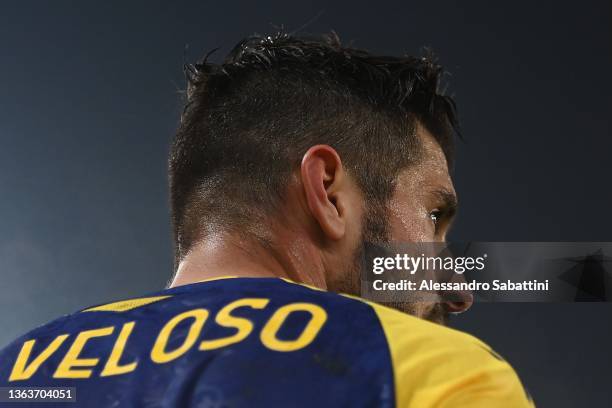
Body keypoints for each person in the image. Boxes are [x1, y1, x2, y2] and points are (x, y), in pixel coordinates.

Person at [0, 32, 533, 407]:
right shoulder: (431, 375)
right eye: (433, 216)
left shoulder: (17, 371)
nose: (460, 290)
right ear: (328, 193)